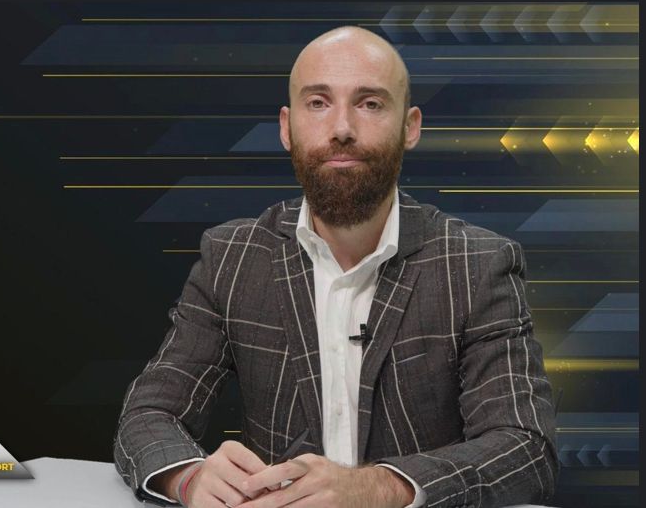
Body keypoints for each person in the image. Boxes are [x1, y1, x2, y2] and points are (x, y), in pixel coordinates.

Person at [113, 26, 558, 508]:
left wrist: (377, 488)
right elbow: (149, 413)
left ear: (410, 127)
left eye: (370, 103)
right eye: (318, 102)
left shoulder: (479, 265)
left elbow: (524, 447)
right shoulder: (231, 257)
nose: (342, 128)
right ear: (287, 127)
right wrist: (189, 477)